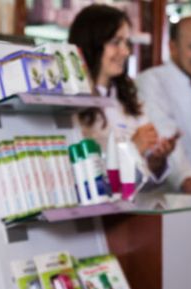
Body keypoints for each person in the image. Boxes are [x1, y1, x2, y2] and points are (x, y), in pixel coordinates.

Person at [68, 4, 177, 179]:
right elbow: (83, 175)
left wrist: (155, 159)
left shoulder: (128, 99)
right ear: (92, 44)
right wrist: (134, 147)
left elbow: (143, 177)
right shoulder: (69, 104)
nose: (125, 51)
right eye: (116, 42)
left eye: (126, 42)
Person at [136, 17, 191, 193]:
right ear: (172, 47)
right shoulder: (152, 80)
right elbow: (164, 132)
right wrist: (185, 176)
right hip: (167, 196)